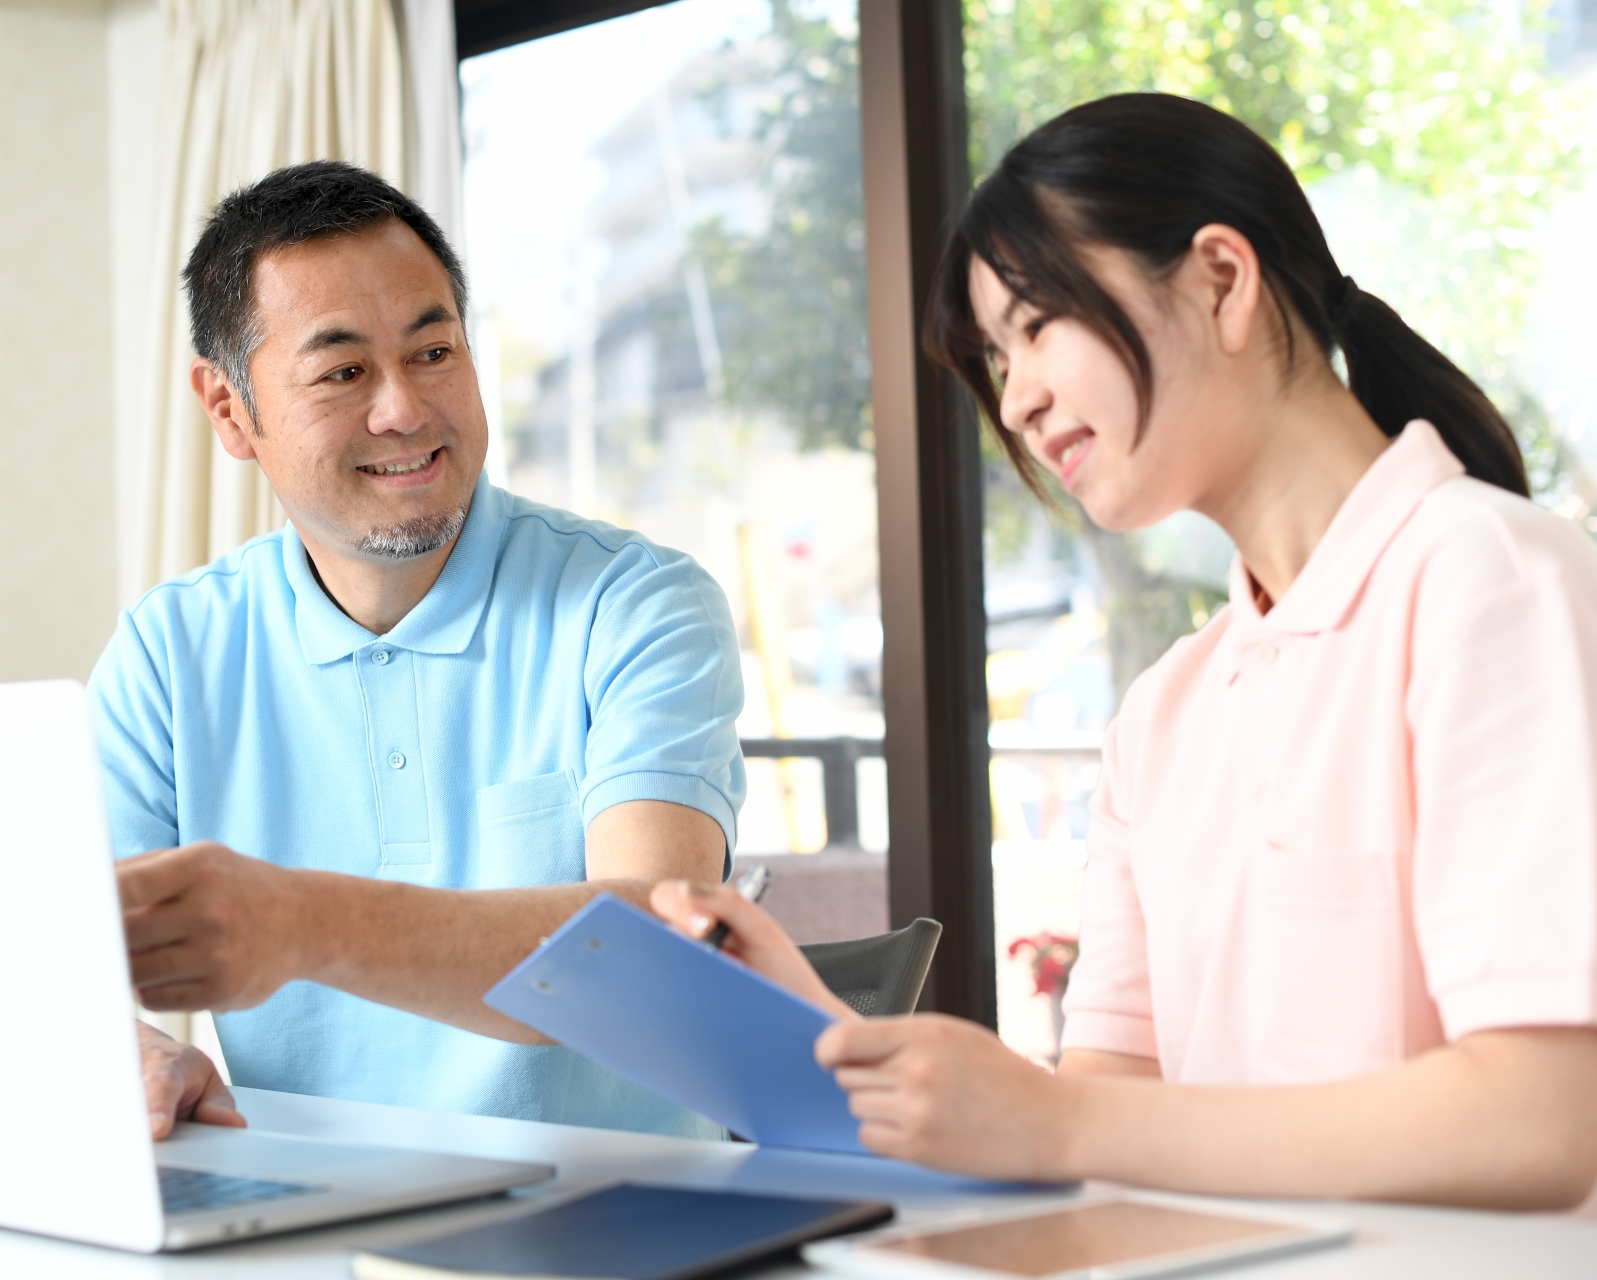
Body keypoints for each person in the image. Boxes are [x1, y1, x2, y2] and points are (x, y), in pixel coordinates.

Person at [654, 93, 1597, 1210]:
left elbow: (1545, 1114)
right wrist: (822, 1042)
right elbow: (1108, 1110)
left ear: (1221, 279)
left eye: (1038, 323)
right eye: (997, 358)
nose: (1022, 398)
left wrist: (1059, 1115)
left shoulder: (1491, 581)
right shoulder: (1164, 714)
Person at [91, 161, 745, 1141]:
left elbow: (643, 962)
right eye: (344, 371)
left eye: (433, 351)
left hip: (614, 1215)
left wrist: (299, 921)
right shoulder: (171, 646)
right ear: (230, 411)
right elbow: (55, 952)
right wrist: (134, 1048)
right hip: (306, 1217)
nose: (404, 408)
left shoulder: (638, 604)